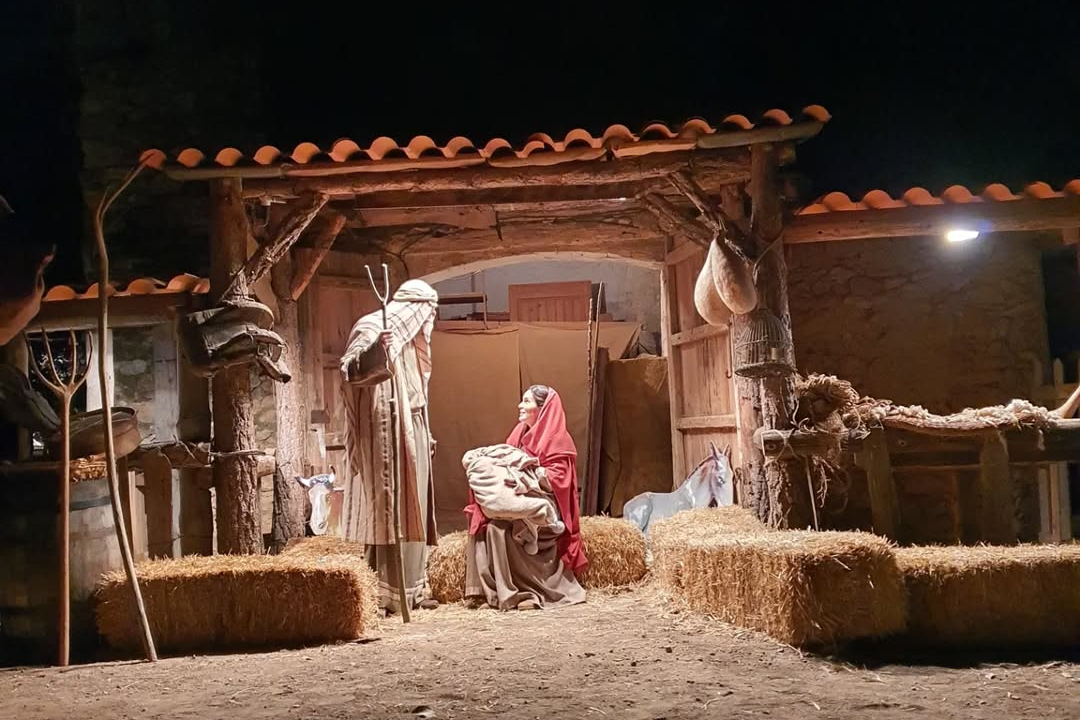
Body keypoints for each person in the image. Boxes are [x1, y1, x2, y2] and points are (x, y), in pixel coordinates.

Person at [340, 279, 440, 614]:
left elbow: (418, 388)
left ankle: (413, 588)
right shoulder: (374, 327)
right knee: (389, 510)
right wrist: (377, 352)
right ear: (416, 308)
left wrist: (425, 431)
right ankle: (382, 593)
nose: (430, 320)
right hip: (387, 432)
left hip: (414, 427)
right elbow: (350, 370)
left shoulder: (413, 340)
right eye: (428, 312)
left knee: (416, 507)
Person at [463, 384, 588, 611]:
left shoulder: (558, 439)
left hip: (546, 505)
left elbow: (559, 481)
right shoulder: (518, 434)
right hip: (517, 497)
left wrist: (528, 476)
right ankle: (493, 594)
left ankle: (523, 594)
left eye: (527, 401)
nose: (520, 405)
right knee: (486, 524)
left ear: (542, 408)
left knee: (503, 529)